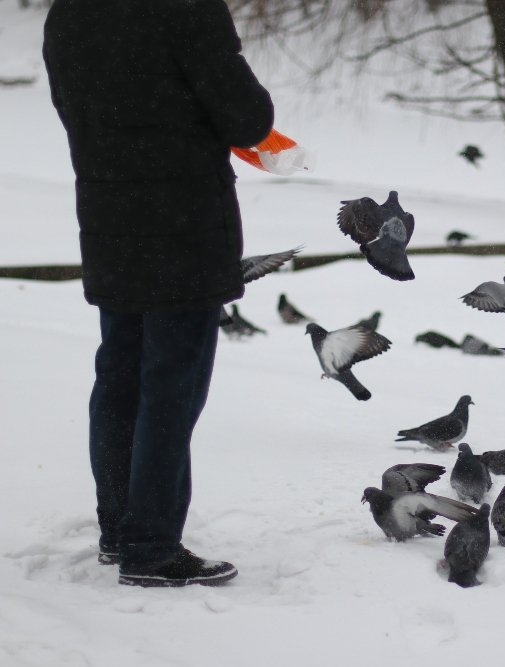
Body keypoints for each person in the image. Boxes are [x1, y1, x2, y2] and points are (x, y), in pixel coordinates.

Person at [43, 0, 274, 587]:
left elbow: (77, 112)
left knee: (119, 377)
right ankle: (150, 546)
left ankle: (120, 530)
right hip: (184, 225)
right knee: (172, 388)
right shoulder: (186, 8)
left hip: (109, 217)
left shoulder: (69, 12)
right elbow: (246, 117)